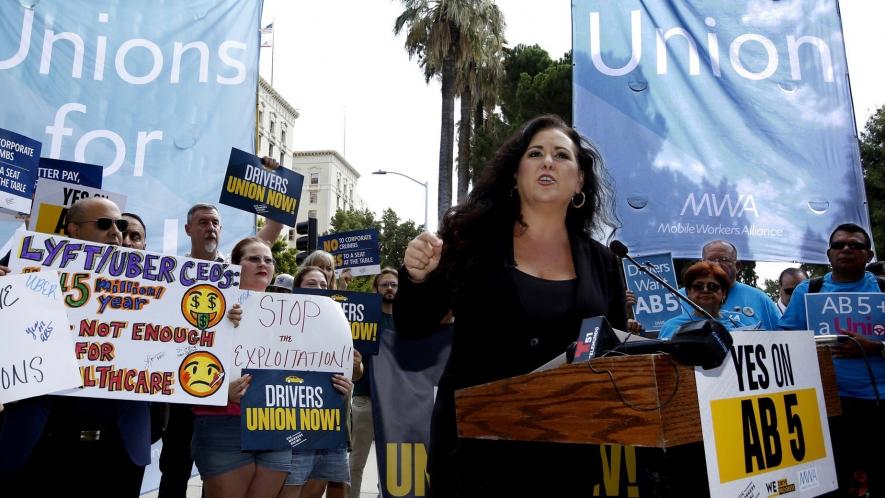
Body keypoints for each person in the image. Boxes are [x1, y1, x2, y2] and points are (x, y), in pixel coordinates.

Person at [395, 115, 626, 496]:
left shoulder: (605, 263)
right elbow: (412, 324)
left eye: (561, 155)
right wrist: (417, 277)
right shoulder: (471, 243)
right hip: (473, 458)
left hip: (567, 460)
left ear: (580, 181)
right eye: (535, 153)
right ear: (516, 174)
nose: (547, 162)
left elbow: (611, 356)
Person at [0, 197, 150, 497]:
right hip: (42, 438)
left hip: (119, 445)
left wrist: (224, 319)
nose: (116, 232)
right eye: (104, 224)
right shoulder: (28, 273)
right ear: (74, 231)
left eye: (120, 225)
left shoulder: (154, 286)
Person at [778, 223, 885, 497]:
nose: (846, 249)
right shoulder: (808, 290)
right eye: (839, 245)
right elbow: (785, 340)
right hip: (825, 405)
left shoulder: (883, 290)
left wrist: (874, 347)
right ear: (829, 254)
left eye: (855, 245)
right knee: (832, 480)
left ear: (869, 254)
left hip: (877, 402)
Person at [191, 237, 291, 498]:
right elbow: (185, 363)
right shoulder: (207, 305)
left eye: (268, 260)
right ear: (236, 265)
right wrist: (221, 391)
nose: (263, 264)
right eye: (254, 258)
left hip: (276, 424)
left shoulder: (293, 314)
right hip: (225, 422)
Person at [281, 266, 361, 498]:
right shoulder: (282, 322)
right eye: (311, 284)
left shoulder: (339, 323)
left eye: (323, 285)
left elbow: (356, 371)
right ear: (297, 289)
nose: (318, 289)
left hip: (330, 424)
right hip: (293, 425)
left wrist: (353, 371)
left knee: (333, 487)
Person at [348, 267, 398, 498]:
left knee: (391, 463)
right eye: (385, 284)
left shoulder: (408, 319)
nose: (390, 288)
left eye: (394, 285)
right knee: (356, 460)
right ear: (375, 289)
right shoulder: (365, 318)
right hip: (365, 396)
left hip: (395, 401)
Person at [681, 240, 781, 329]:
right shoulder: (678, 298)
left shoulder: (760, 299)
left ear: (737, 266)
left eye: (724, 260)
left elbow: (785, 338)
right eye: (711, 259)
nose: (717, 264)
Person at [658, 262, 758, 339]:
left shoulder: (738, 323)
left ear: (723, 293)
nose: (705, 290)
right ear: (688, 292)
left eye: (712, 286)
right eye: (698, 286)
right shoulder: (671, 326)